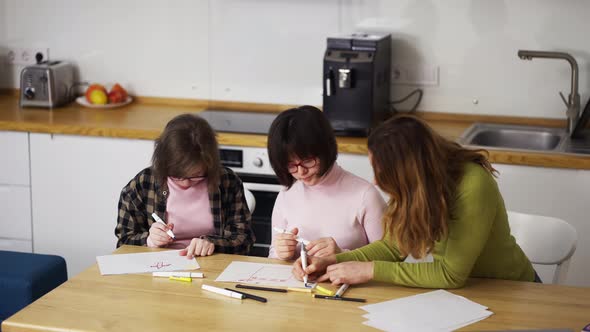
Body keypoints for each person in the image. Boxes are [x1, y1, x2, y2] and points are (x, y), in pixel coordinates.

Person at [293, 115, 537, 288]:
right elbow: (391, 247)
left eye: (382, 172)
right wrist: (332, 261)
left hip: (512, 291)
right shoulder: (417, 185)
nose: (376, 181)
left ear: (408, 171)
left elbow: (450, 274)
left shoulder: (474, 183)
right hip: (467, 297)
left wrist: (369, 270)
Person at [115, 113, 255, 258]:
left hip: (212, 265)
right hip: (159, 266)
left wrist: (213, 244)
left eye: (196, 176)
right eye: (177, 176)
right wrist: (149, 240)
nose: (186, 183)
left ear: (209, 164)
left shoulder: (227, 182)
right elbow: (123, 243)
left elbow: (244, 240)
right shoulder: (142, 185)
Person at [267, 105, 386, 260]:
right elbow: (271, 256)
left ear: (326, 150)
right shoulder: (286, 194)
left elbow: (388, 260)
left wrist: (342, 255)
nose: (301, 172)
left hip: (347, 284)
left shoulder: (365, 195)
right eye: (291, 165)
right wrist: (279, 253)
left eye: (308, 161)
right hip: (296, 283)